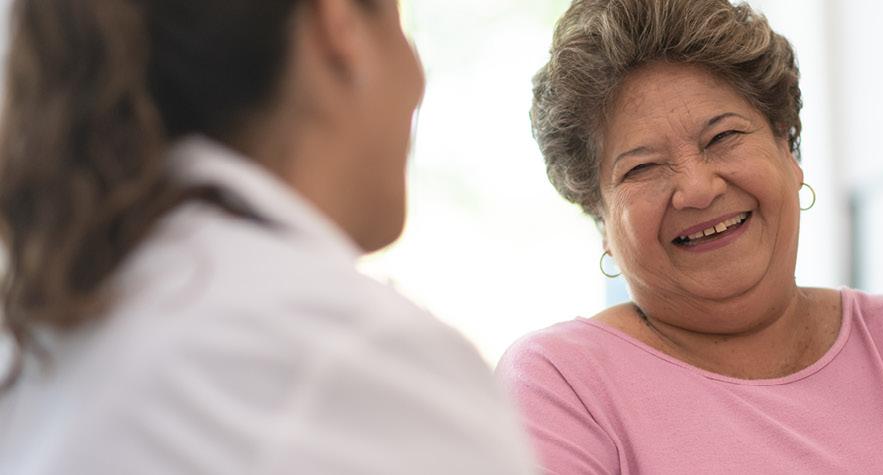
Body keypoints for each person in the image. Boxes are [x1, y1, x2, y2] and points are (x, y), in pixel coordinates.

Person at [497, 0, 883, 473]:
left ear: (788, 151)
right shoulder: (559, 384)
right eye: (642, 168)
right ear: (600, 218)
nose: (697, 188)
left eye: (723, 137)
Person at [0, 1, 532, 473]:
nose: (417, 78)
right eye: (398, 21)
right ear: (338, 22)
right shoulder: (349, 353)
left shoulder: (54, 335)